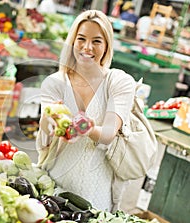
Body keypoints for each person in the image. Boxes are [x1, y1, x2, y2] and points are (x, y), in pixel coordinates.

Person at [36, 10, 136, 212]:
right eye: (81, 39)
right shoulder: (55, 83)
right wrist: (48, 122)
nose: (87, 47)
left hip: (95, 194)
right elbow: (44, 140)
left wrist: (86, 128)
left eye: (97, 41)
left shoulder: (119, 82)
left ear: (107, 46)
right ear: (72, 41)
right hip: (53, 187)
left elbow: (108, 135)